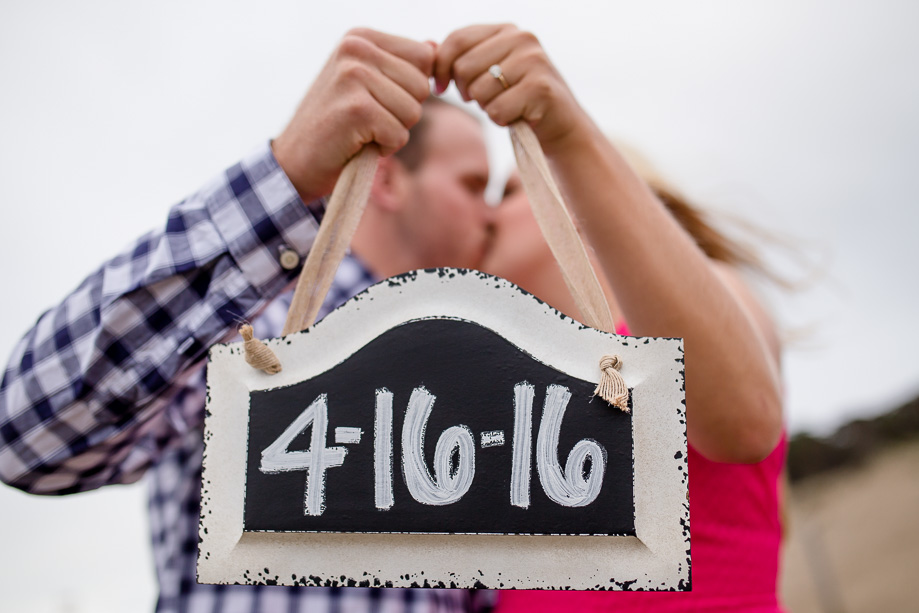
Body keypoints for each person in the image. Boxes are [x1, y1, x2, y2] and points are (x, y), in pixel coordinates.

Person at [0, 28, 493, 613]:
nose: (489, 215)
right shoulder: (250, 321)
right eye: (473, 185)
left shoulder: (476, 378)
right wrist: (287, 175)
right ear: (387, 179)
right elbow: (29, 438)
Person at [436, 24, 786, 611]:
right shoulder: (505, 384)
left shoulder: (717, 294)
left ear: (581, 205)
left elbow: (745, 423)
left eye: (510, 191)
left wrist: (567, 137)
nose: (486, 212)